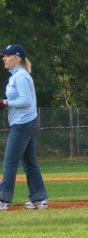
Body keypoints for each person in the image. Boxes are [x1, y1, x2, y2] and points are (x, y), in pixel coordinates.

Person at [0, 44, 48, 210]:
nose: (4, 58)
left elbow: (25, 101)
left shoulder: (20, 76)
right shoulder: (18, 75)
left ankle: (3, 199)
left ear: (17, 57)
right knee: (29, 162)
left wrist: (6, 103)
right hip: (28, 122)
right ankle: (39, 199)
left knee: (10, 162)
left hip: (23, 123)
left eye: (7, 55)